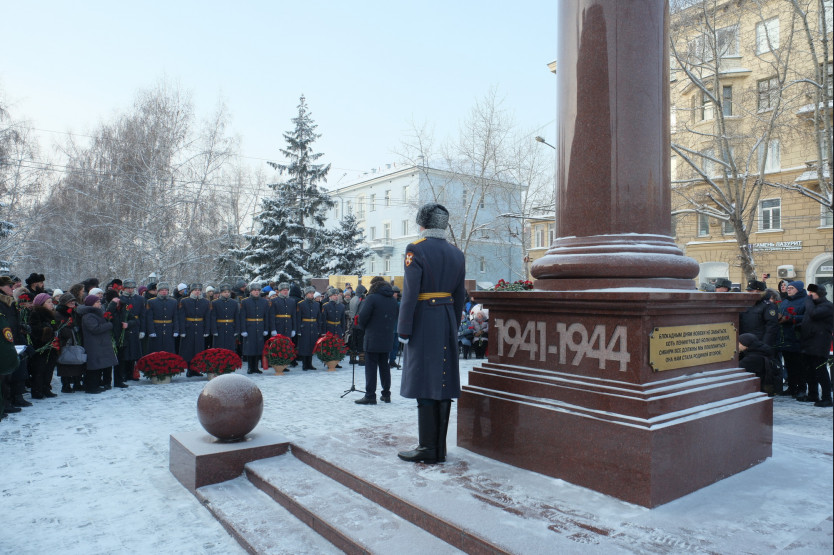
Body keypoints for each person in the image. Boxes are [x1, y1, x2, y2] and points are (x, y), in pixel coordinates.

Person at [397, 203, 466, 464]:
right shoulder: (456, 253)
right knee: (443, 381)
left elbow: (410, 294)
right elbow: (459, 295)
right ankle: (439, 448)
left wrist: (404, 329)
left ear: (422, 223)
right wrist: (453, 324)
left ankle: (427, 447)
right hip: (446, 318)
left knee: (424, 381)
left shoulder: (416, 249)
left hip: (424, 319)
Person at [354, 277, 399, 405]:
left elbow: (362, 317)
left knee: (371, 367)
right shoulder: (393, 300)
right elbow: (396, 316)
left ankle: (370, 395)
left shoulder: (372, 298)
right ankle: (386, 394)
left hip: (373, 337)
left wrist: (364, 327)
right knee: (385, 367)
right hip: (387, 337)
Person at [800, 284, 833, 407]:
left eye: (811, 293)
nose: (809, 295)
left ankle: (827, 398)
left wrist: (808, 301)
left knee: (821, 371)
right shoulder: (813, 305)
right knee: (809, 371)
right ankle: (812, 394)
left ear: (819, 293)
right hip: (808, 343)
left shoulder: (828, 306)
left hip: (819, 344)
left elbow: (813, 314)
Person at [79, 295, 117, 394]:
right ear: (91, 304)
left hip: (98, 343)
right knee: (93, 366)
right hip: (93, 344)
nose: (100, 303)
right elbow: (95, 329)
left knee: (97, 366)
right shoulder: (88, 316)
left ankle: (95, 385)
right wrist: (109, 325)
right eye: (97, 302)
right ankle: (91, 387)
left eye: (99, 301)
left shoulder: (95, 313)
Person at [778, 281, 808, 399]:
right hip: (785, 337)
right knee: (789, 365)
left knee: (799, 366)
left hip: (799, 338)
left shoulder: (806, 301)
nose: (788, 289)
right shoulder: (785, 301)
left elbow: (808, 317)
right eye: (788, 288)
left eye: (791, 288)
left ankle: (801, 388)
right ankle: (791, 387)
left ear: (799, 289)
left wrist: (791, 318)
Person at [28, 293, 59, 398]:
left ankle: (46, 388)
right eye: (48, 302)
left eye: (51, 302)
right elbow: (34, 330)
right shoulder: (36, 314)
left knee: (49, 368)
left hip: (51, 345)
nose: (51, 304)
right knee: (39, 369)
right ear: (41, 303)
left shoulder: (51, 314)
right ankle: (37, 390)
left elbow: (54, 325)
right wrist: (45, 330)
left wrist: (54, 329)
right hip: (41, 346)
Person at [54, 293, 84, 393]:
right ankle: (66, 385)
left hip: (76, 340)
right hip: (65, 341)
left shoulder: (75, 312)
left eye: (73, 300)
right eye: (70, 301)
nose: (72, 302)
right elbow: (57, 327)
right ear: (64, 303)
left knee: (77, 361)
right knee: (65, 363)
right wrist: (70, 330)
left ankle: (77, 383)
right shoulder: (58, 313)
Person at [178, 283, 210, 377]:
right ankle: (189, 369)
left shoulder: (206, 302)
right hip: (189, 327)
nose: (197, 292)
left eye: (199, 290)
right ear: (191, 291)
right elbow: (181, 317)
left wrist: (206, 330)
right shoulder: (184, 301)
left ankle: (196, 369)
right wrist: (182, 330)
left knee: (198, 349)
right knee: (189, 349)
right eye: (195, 290)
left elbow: (207, 317)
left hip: (200, 327)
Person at [239, 282, 269, 374]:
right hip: (249, 327)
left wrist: (266, 328)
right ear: (251, 291)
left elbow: (266, 316)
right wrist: (243, 329)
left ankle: (256, 367)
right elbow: (242, 317)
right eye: (254, 290)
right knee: (250, 347)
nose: (256, 292)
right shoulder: (245, 301)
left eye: (258, 290)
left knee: (258, 347)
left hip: (260, 326)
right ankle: (250, 367)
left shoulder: (264, 302)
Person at [118, 280, 145, 382]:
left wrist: (142, 330)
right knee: (125, 351)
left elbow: (143, 315)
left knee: (134, 350)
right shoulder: (120, 299)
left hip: (135, 326)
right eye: (128, 288)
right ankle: (123, 373)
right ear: (124, 289)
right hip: (123, 326)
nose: (130, 290)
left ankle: (132, 373)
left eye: (132, 288)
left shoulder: (140, 299)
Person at [739, 280, 778, 347]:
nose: (749, 293)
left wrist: (764, 345)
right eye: (748, 291)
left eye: (751, 291)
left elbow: (771, 327)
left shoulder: (768, 306)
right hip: (745, 342)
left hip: (759, 342)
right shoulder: (745, 304)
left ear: (759, 292)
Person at [146, 282, 179, 354]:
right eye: (162, 290)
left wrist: (176, 330)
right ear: (158, 291)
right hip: (157, 329)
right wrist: (151, 331)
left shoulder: (173, 302)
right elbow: (149, 318)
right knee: (156, 350)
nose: (164, 292)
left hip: (169, 329)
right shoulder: (151, 302)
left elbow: (175, 317)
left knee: (169, 349)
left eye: (166, 290)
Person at [296, 286, 323, 370]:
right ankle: (305, 364)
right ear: (306, 294)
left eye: (313, 293)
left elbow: (319, 317)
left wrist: (318, 328)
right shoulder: (301, 304)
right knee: (305, 345)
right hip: (305, 326)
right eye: (310, 293)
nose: (312, 295)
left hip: (313, 326)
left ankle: (310, 364)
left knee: (312, 345)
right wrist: (298, 329)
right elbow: (298, 317)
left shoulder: (316, 304)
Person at [210, 284, 239, 351]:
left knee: (230, 347)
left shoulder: (234, 303)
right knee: (219, 347)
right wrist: (214, 330)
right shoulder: (215, 303)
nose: (227, 293)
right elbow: (213, 317)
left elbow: (236, 317)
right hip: (219, 328)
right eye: (225, 292)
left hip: (231, 327)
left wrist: (237, 329)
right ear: (221, 293)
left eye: (228, 292)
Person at [388, 285, 401, 368]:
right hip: (390, 328)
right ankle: (386, 361)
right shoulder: (390, 302)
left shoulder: (398, 302)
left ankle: (392, 361)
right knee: (390, 346)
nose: (397, 294)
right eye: (396, 293)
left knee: (395, 345)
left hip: (397, 327)